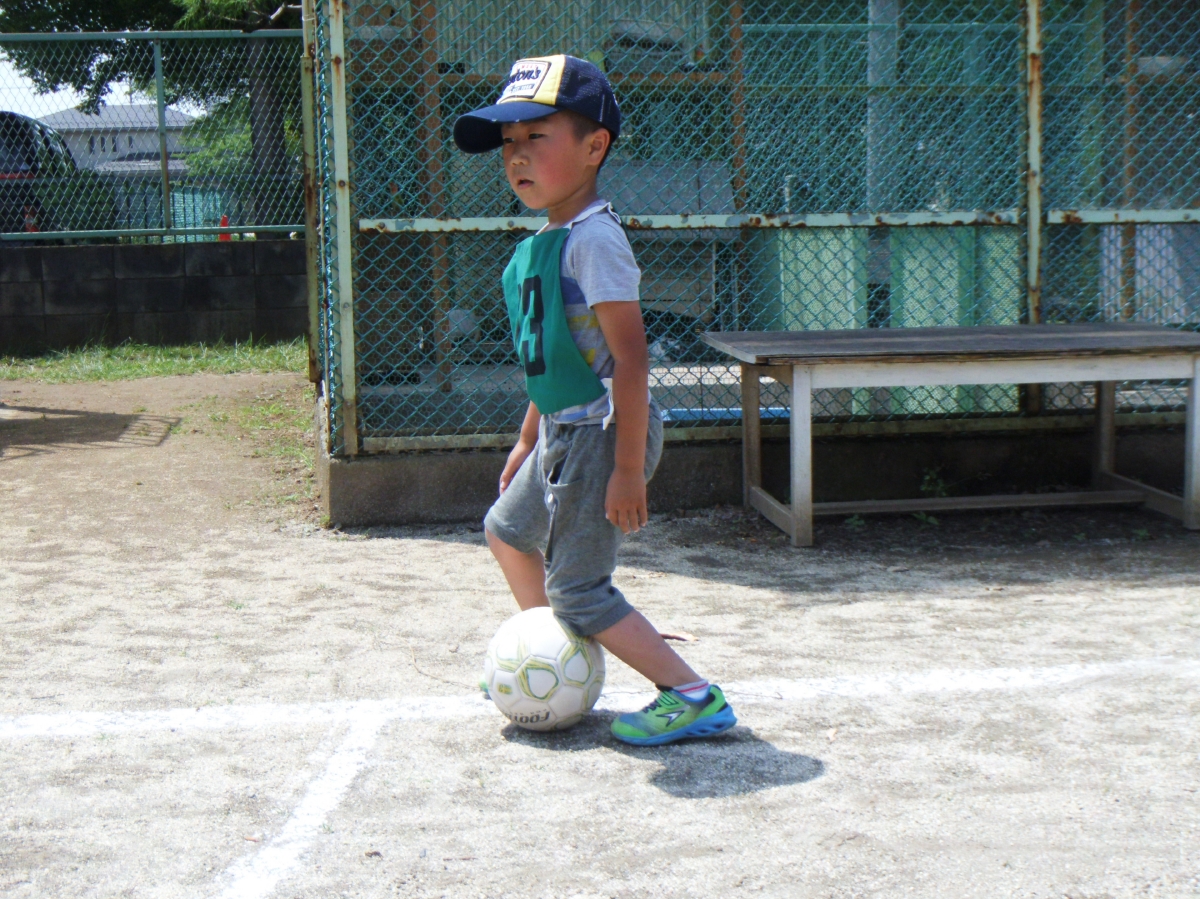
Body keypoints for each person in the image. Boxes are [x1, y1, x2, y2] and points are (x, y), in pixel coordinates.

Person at [453, 54, 736, 746]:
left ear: (594, 147)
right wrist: (528, 437)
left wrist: (627, 467)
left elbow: (631, 359)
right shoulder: (547, 242)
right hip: (562, 430)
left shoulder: (596, 241)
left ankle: (693, 695)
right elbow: (553, 356)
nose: (516, 155)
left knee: (579, 586)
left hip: (605, 434)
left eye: (536, 137)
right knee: (506, 532)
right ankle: (550, 655)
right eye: (508, 142)